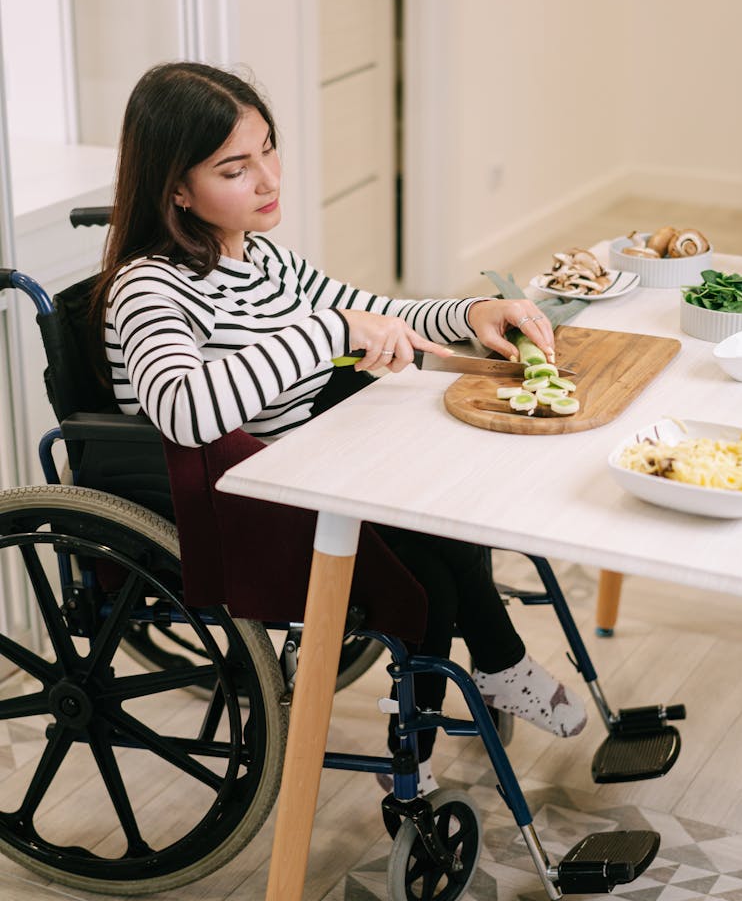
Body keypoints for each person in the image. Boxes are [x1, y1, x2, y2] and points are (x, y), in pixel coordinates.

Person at [91, 61, 587, 795]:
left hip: (310, 472)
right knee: (428, 580)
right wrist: (327, 331)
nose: (268, 179)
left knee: (447, 520)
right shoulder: (148, 287)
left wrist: (469, 315)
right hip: (243, 507)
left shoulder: (262, 258)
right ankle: (433, 739)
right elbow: (185, 412)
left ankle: (493, 668)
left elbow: (370, 310)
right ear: (175, 188)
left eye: (268, 148)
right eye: (236, 167)